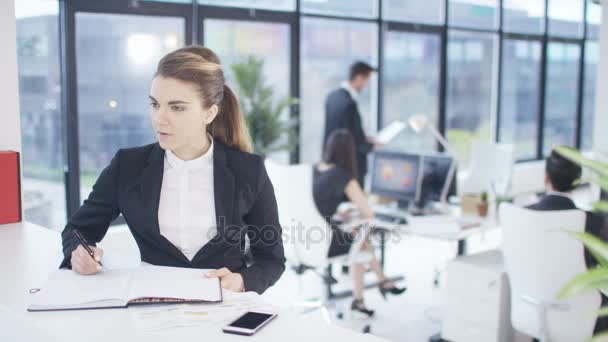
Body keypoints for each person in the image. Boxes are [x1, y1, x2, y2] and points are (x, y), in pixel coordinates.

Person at [60, 45, 285, 295]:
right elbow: (77, 230)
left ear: (209, 113)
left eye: (177, 107)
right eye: (155, 104)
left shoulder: (248, 171)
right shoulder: (127, 167)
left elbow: (271, 260)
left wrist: (241, 281)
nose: (159, 118)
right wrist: (80, 253)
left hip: (225, 312)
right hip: (151, 309)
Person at [313, 129, 406, 317]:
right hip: (323, 243)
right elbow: (368, 213)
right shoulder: (342, 174)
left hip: (306, 238)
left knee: (357, 233)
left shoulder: (316, 168)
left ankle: (363, 297)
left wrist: (340, 211)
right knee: (361, 237)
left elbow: (317, 204)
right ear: (350, 152)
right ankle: (378, 284)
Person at [527, 147, 607, 334]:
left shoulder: (524, 214)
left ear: (546, 178)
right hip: (579, 312)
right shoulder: (592, 222)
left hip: (534, 303)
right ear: (577, 182)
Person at [323, 61, 381, 187]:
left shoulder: (332, 97)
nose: (366, 85)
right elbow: (354, 139)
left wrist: (365, 138)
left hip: (331, 163)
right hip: (349, 166)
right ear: (359, 78)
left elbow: (339, 130)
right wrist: (373, 146)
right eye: (367, 80)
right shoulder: (349, 104)